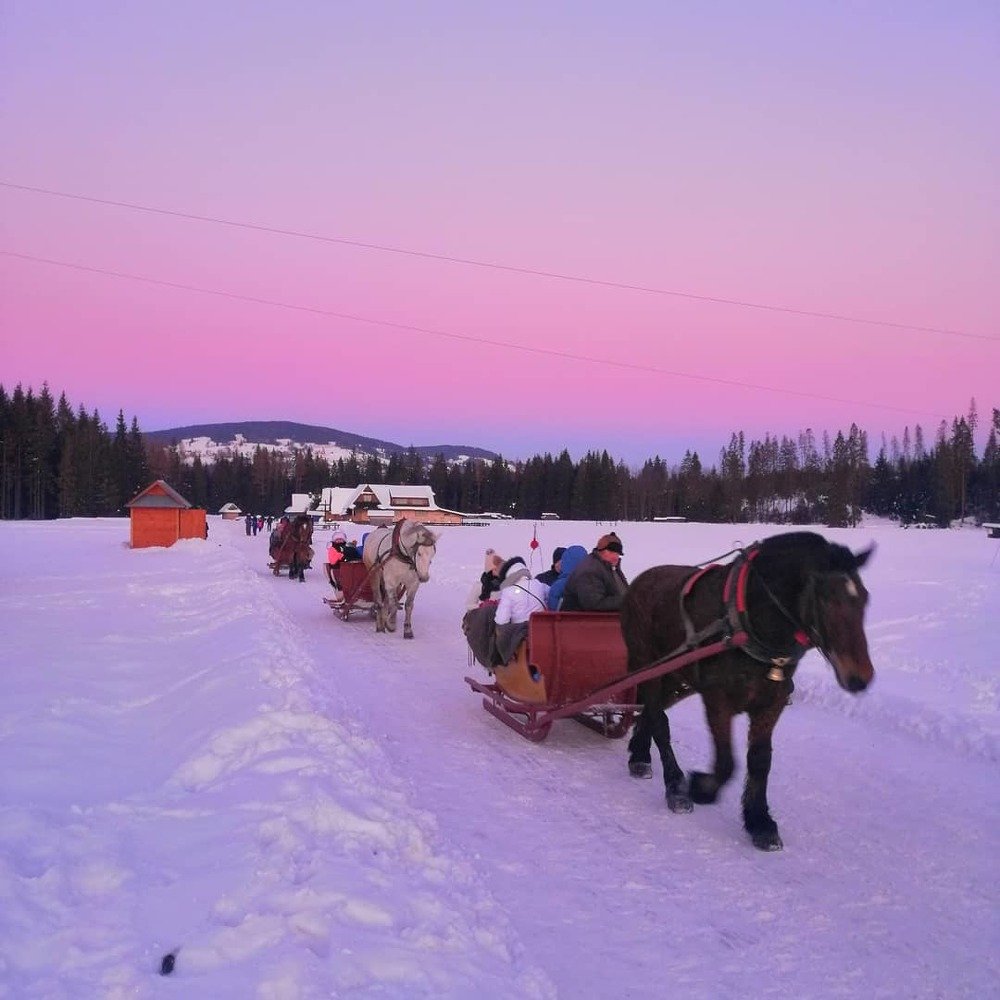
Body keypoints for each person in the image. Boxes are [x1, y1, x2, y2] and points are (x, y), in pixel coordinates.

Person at [559, 533, 628, 612]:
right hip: (580, 621)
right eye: (610, 552)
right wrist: (626, 601)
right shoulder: (590, 571)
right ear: (600, 550)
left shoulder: (611, 568)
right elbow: (594, 604)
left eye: (618, 553)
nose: (615, 556)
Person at [546, 545, 588, 609]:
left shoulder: (558, 586)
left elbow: (552, 607)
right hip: (593, 618)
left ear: (565, 561)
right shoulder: (593, 583)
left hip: (563, 618)